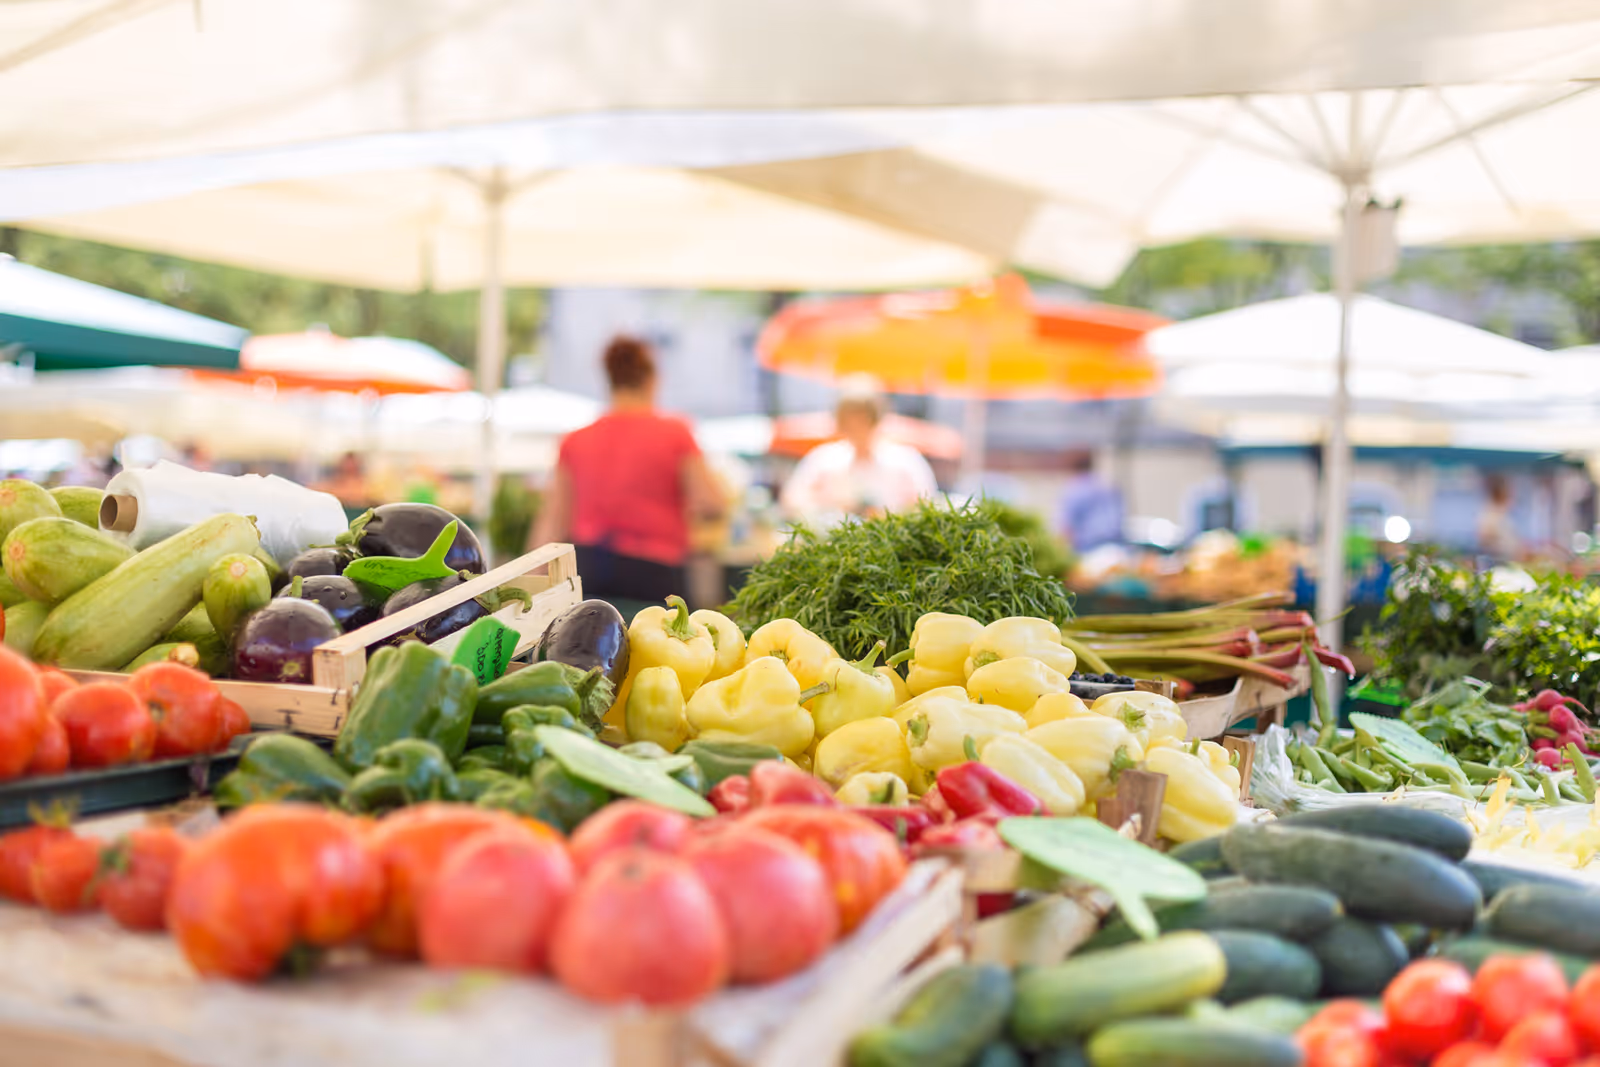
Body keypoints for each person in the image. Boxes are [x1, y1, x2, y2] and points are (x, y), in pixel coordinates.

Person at [532, 335, 723, 602]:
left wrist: (535, 586)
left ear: (610, 380)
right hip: (655, 569)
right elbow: (711, 502)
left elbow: (552, 521)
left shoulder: (576, 440)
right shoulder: (675, 433)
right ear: (651, 379)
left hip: (589, 567)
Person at [779, 376, 938, 525]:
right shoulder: (823, 460)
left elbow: (926, 507)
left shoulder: (905, 463)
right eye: (849, 421)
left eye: (862, 420)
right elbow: (792, 500)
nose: (856, 428)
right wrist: (829, 507)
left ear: (876, 419)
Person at [1057, 450, 1123, 551]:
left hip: (1087, 549)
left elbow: (1066, 526)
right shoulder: (1108, 484)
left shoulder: (1074, 488)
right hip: (1115, 546)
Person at [1477, 472, 1522, 561]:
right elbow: (1484, 540)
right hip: (1500, 561)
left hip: (1509, 560)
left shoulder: (1503, 512)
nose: (1512, 494)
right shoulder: (1489, 514)